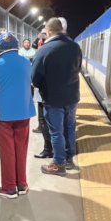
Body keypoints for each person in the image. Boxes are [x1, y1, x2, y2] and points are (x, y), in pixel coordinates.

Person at [0, 32, 36, 198]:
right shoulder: (26, 62)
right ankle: (22, 184)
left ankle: (9, 188)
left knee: (7, 151)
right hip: (24, 112)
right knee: (21, 149)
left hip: (3, 115)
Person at [32, 17, 82, 176]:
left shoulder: (44, 50)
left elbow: (35, 78)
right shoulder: (75, 47)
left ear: (48, 31)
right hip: (72, 96)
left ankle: (59, 164)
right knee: (69, 128)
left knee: (56, 132)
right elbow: (78, 68)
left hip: (53, 98)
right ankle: (69, 159)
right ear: (62, 29)